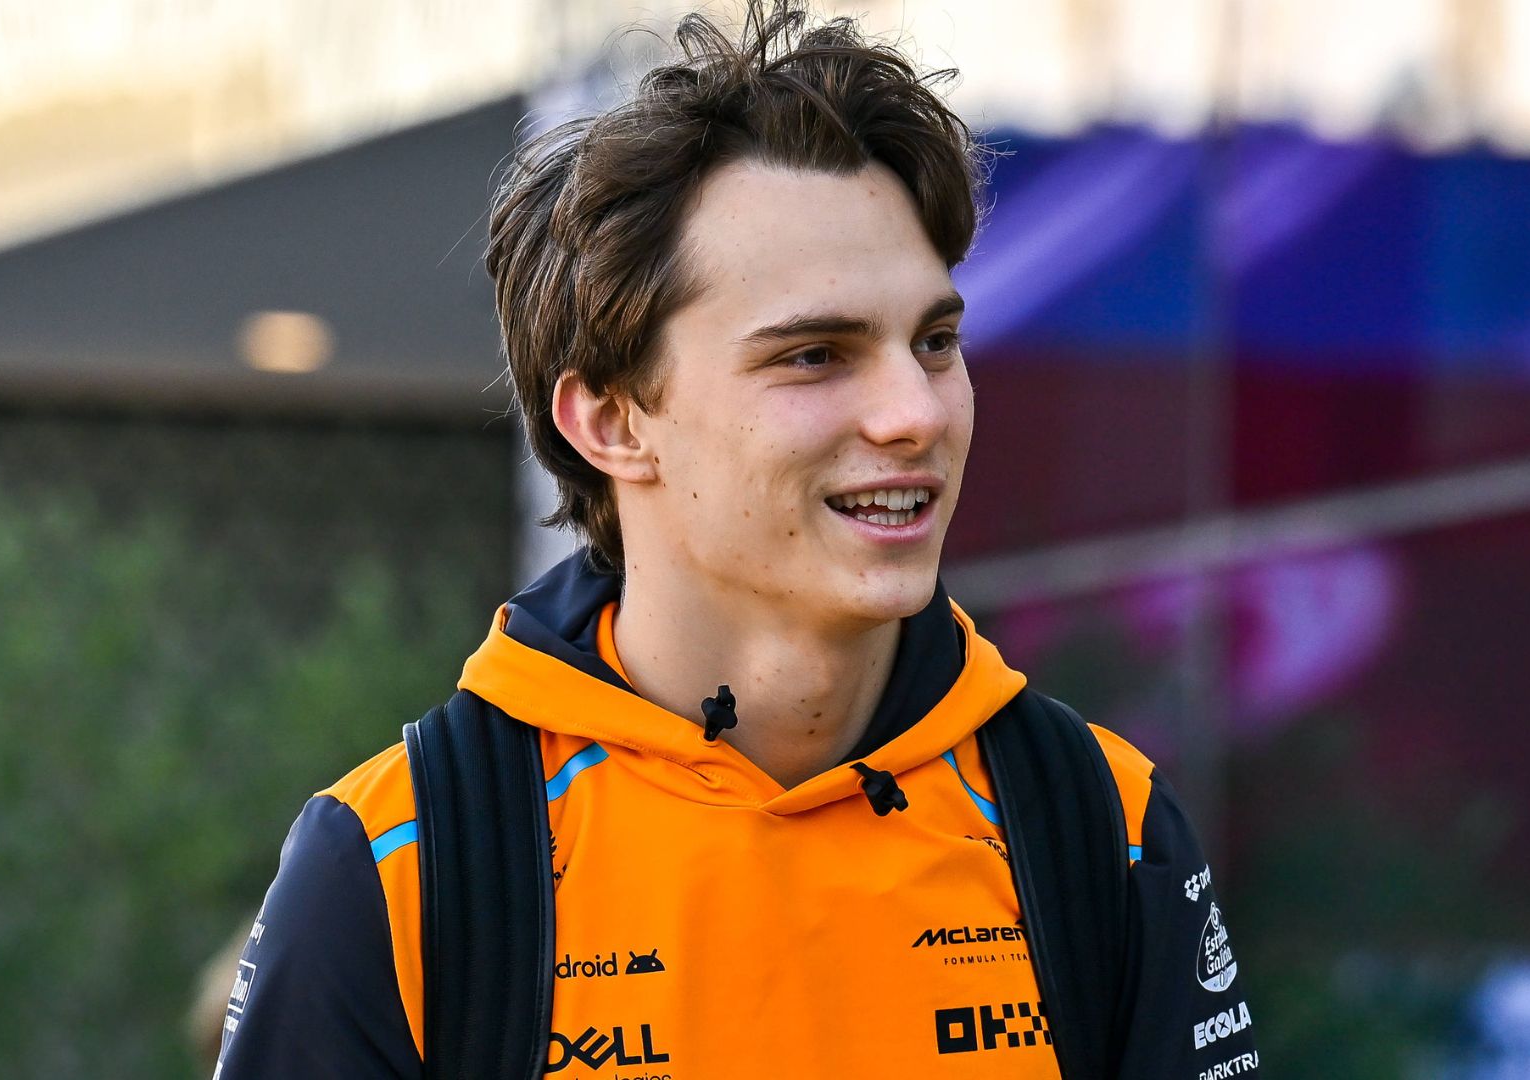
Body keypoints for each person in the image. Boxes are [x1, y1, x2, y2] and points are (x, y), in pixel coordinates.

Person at [215, 3, 1261, 1077]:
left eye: (935, 341)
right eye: (814, 355)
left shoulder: (1102, 826)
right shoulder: (403, 863)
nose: (916, 412)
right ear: (612, 422)